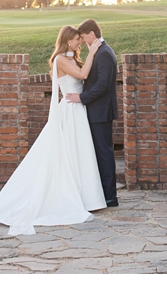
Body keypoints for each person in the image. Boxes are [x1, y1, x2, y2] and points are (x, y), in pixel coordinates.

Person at [0, 25, 107, 235]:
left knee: (78, 152)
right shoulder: (61, 60)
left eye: (79, 40)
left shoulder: (70, 57)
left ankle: (86, 196)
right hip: (71, 110)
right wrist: (92, 52)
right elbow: (82, 73)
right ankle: (73, 196)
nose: (79, 42)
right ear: (66, 41)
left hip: (77, 109)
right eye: (75, 40)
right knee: (70, 152)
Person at [63, 19, 118, 207]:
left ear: (92, 35)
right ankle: (101, 194)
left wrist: (82, 98)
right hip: (97, 110)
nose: (83, 42)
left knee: (104, 153)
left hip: (101, 111)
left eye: (84, 38)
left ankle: (110, 196)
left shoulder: (103, 53)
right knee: (99, 153)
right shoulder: (101, 52)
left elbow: (103, 85)